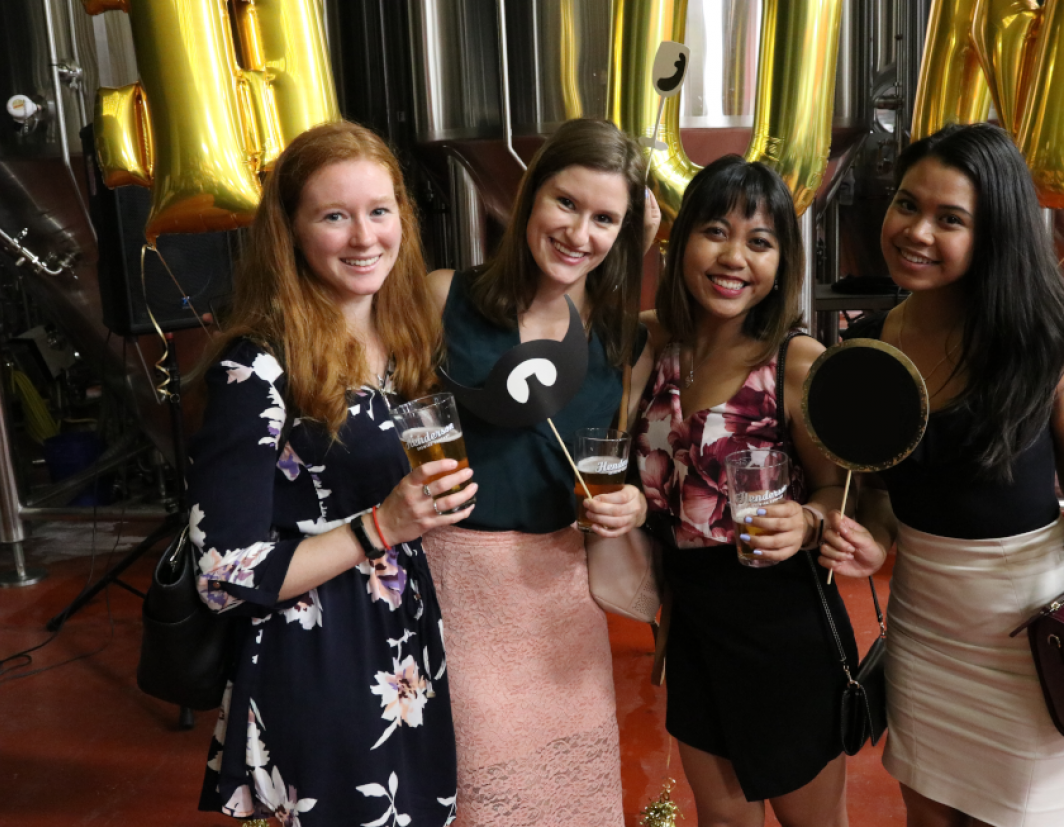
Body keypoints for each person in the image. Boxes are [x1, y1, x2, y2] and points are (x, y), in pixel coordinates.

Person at [820, 122, 1064, 827]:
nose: (915, 231)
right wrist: (869, 540)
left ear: (994, 233)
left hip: (1032, 634)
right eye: (906, 204)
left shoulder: (1045, 340)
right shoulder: (868, 347)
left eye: (949, 219)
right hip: (924, 628)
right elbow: (876, 497)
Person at [188, 121, 475, 826]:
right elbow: (223, 572)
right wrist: (383, 524)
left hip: (401, 648)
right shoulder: (256, 365)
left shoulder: (402, 339)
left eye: (379, 211)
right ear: (290, 230)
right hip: (313, 657)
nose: (363, 237)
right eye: (334, 216)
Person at [631, 154, 884, 827]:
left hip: (783, 624)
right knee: (723, 821)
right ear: (681, 240)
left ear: (781, 264)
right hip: (693, 620)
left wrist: (806, 520)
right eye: (715, 230)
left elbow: (839, 488)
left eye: (760, 241)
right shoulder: (660, 345)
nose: (733, 256)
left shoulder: (793, 363)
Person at [423, 118, 658, 825]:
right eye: (566, 202)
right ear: (529, 196)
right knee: (482, 798)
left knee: (571, 798)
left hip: (562, 599)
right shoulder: (442, 297)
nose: (579, 232)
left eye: (605, 218)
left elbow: (624, 466)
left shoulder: (625, 339)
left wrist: (634, 508)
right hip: (457, 589)